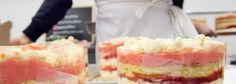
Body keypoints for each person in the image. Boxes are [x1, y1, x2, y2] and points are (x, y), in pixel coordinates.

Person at [11, 0, 216, 47]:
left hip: (165, 34)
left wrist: (190, 24)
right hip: (116, 34)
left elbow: (172, 6)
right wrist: (29, 34)